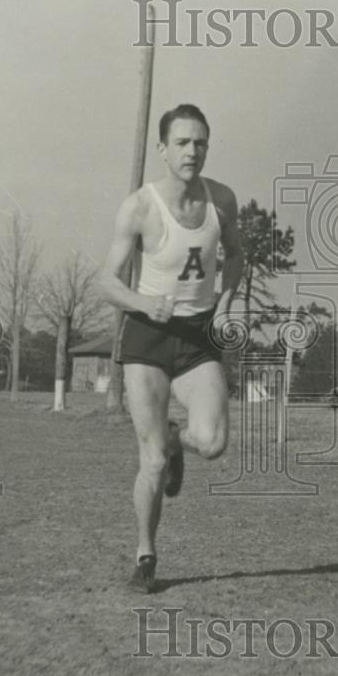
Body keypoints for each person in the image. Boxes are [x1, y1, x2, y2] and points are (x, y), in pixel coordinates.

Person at [99, 103, 244, 592]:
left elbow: (238, 254)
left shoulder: (222, 200)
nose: (192, 151)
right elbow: (105, 281)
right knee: (152, 459)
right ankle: (145, 554)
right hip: (147, 338)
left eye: (200, 141)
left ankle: (176, 438)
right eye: (182, 142)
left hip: (198, 335)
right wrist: (142, 300)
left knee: (213, 443)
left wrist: (224, 304)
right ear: (162, 150)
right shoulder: (139, 207)